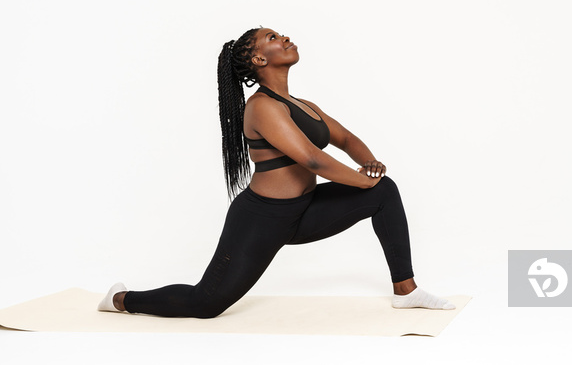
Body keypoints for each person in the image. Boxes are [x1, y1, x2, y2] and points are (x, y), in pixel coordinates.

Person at [98, 27, 454, 318]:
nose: (284, 38)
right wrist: (362, 180)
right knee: (205, 303)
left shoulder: (302, 105)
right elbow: (312, 160)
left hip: (306, 209)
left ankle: (405, 290)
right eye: (273, 38)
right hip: (261, 220)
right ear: (258, 59)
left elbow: (344, 138)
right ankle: (121, 299)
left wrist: (371, 164)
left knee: (384, 191)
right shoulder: (262, 108)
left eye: (280, 34)